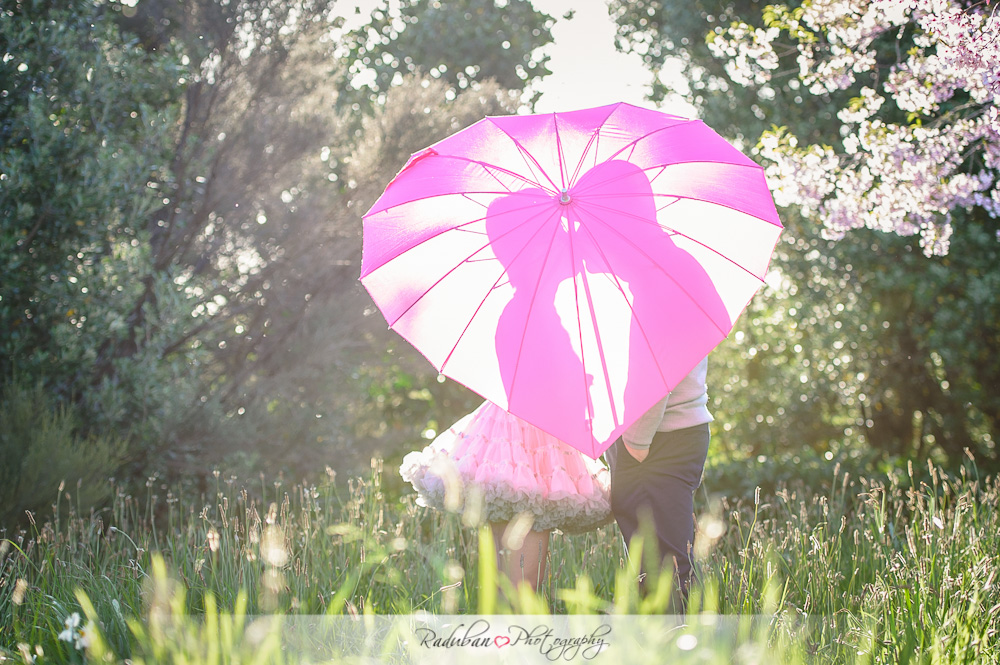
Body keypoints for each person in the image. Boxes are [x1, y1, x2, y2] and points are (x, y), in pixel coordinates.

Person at [399, 400, 611, 592]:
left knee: (507, 579)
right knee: (521, 583)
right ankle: (511, 619)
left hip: (509, 428)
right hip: (521, 430)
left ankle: (505, 620)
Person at [605, 355, 712, 613]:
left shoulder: (656, 317)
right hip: (669, 432)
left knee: (664, 566)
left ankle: (681, 635)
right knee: (658, 561)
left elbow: (655, 361)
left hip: (656, 436)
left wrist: (636, 441)